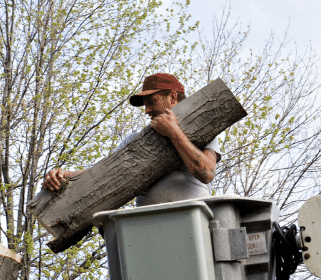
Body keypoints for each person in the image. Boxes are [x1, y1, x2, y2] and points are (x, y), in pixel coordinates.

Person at [42, 73, 220, 206]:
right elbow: (104, 171)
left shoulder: (203, 132)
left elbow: (206, 173)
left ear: (172, 97)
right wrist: (66, 176)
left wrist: (173, 132)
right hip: (145, 227)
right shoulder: (134, 141)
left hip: (193, 221)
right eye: (145, 105)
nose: (147, 111)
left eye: (152, 102)